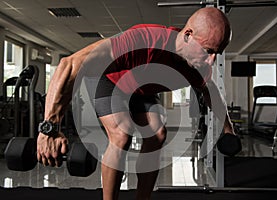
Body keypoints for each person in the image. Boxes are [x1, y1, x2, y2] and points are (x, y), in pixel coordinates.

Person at [37, 7, 234, 200]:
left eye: (218, 53)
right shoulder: (146, 41)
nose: (211, 61)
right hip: (110, 79)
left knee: (157, 135)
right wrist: (49, 128)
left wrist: (228, 130)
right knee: (122, 134)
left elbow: (211, 93)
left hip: (141, 88)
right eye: (207, 51)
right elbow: (69, 64)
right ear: (188, 35)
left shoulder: (198, 67)